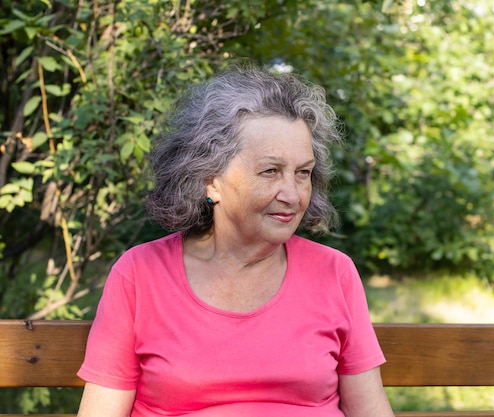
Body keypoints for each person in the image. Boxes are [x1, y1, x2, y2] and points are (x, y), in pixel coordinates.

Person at [76, 64, 394, 417]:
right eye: (270, 171)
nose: (292, 194)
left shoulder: (335, 273)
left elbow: (371, 411)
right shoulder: (140, 274)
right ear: (210, 180)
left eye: (302, 173)